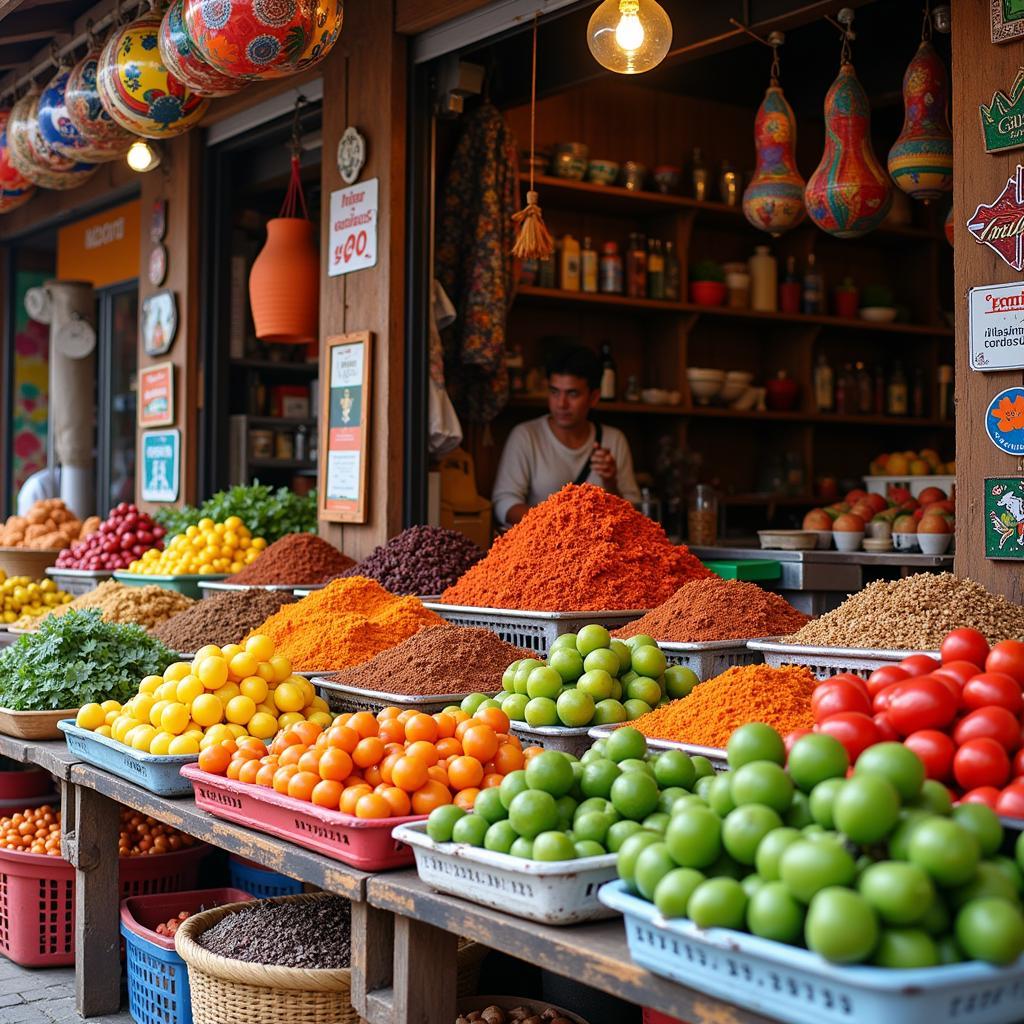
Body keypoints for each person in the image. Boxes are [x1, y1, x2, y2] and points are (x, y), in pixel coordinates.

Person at [492, 345, 641, 526]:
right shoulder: (526, 436)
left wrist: (611, 482)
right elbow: (504, 502)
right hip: (540, 545)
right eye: (554, 392)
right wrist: (556, 526)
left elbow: (633, 514)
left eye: (572, 394)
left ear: (593, 397)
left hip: (600, 549)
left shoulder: (614, 440)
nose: (561, 404)